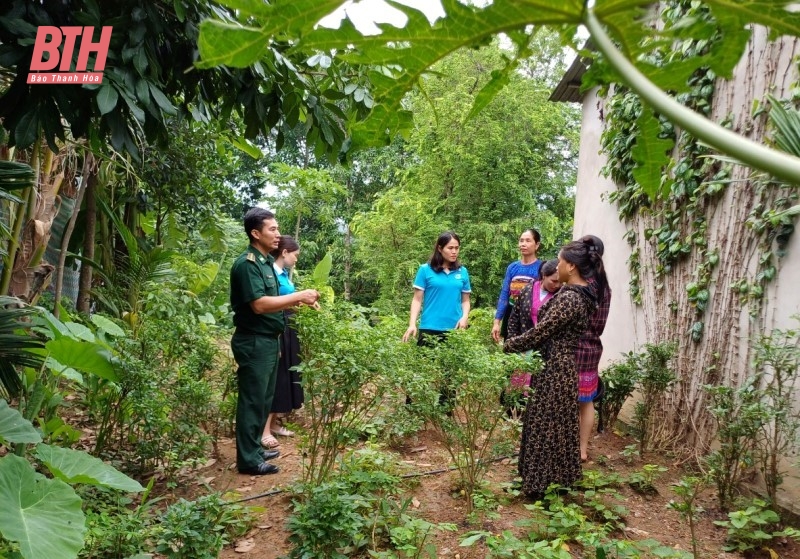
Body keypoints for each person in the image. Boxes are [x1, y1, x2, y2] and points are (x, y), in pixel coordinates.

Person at [503, 237, 604, 498]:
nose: (556, 266)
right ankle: (552, 483)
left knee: (544, 426)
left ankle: (540, 486)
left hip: (555, 369)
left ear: (571, 267)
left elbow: (541, 333)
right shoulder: (579, 295)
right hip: (555, 366)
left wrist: (509, 346)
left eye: (560, 262)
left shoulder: (569, 299)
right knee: (555, 427)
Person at [229, 208, 320, 476]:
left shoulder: (266, 262)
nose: (278, 234)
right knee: (253, 400)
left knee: (264, 398)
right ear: (255, 233)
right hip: (254, 341)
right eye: (272, 229)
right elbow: (259, 305)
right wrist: (299, 296)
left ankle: (255, 449)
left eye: (278, 228)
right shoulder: (247, 265)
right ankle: (248, 460)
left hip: (269, 340)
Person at [260, 235, 309, 449]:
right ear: (285, 252)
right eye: (295, 255)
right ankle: (263, 430)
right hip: (278, 329)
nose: (296, 260)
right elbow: (273, 304)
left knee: (285, 377)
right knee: (276, 379)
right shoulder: (270, 274)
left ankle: (274, 424)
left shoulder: (284, 276)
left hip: (289, 328)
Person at [502, 259, 561, 411]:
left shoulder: (560, 297)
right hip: (523, 343)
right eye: (553, 281)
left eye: (560, 282)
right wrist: (512, 340)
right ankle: (512, 411)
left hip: (544, 348)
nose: (556, 285)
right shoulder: (527, 290)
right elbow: (514, 317)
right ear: (543, 276)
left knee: (535, 383)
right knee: (518, 379)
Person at [575, 235, 611, 462]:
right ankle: (582, 449)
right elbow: (600, 323)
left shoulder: (577, 286)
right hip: (592, 348)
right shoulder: (604, 287)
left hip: (571, 348)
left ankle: (565, 445)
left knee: (565, 401)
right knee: (586, 401)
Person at [402, 231, 472, 344]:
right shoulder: (425, 270)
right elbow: (417, 300)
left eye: (457, 248)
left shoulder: (463, 272)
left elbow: (465, 301)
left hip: (455, 329)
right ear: (440, 248)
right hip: (429, 328)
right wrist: (412, 324)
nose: (454, 252)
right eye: (450, 248)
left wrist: (464, 317)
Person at [491, 229, 542, 343]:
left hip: (531, 318)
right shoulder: (512, 267)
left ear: (537, 245)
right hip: (511, 314)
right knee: (510, 353)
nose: (523, 244)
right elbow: (504, 294)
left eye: (528, 241)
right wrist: (497, 322)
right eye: (521, 240)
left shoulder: (541, 268)